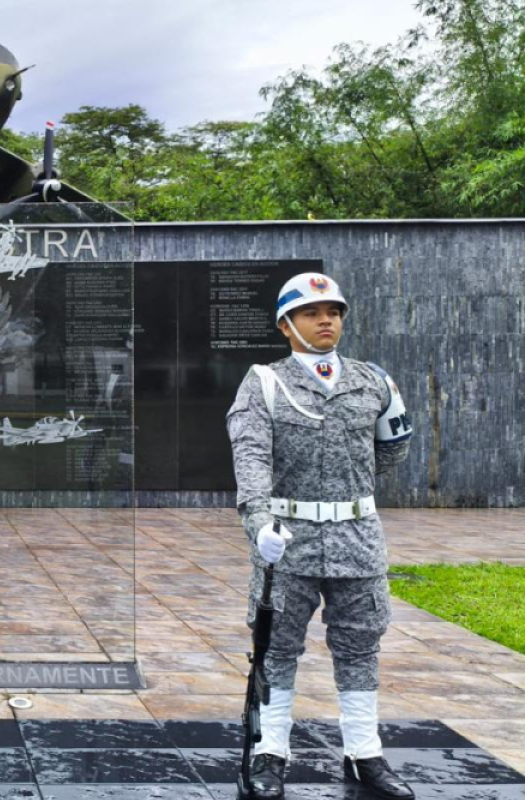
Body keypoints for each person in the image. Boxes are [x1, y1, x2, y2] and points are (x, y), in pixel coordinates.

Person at [227, 272, 415, 799]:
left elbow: (392, 450)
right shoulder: (265, 382)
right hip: (288, 541)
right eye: (312, 313)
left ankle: (364, 752)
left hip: (357, 538)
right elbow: (252, 457)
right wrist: (259, 522)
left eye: (334, 311)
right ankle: (270, 753)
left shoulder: (373, 380)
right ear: (287, 325)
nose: (326, 320)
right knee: (277, 650)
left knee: (360, 646)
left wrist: (345, 493)